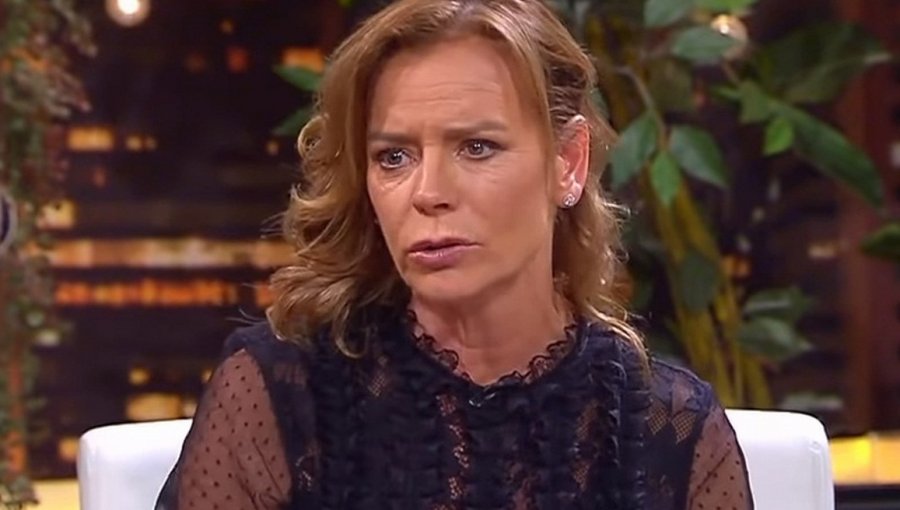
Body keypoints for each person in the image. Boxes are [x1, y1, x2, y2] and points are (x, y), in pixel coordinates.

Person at [155, 0, 754, 508]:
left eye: (476, 147)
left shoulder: (670, 432)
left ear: (568, 162)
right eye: (394, 157)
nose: (429, 193)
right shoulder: (282, 394)